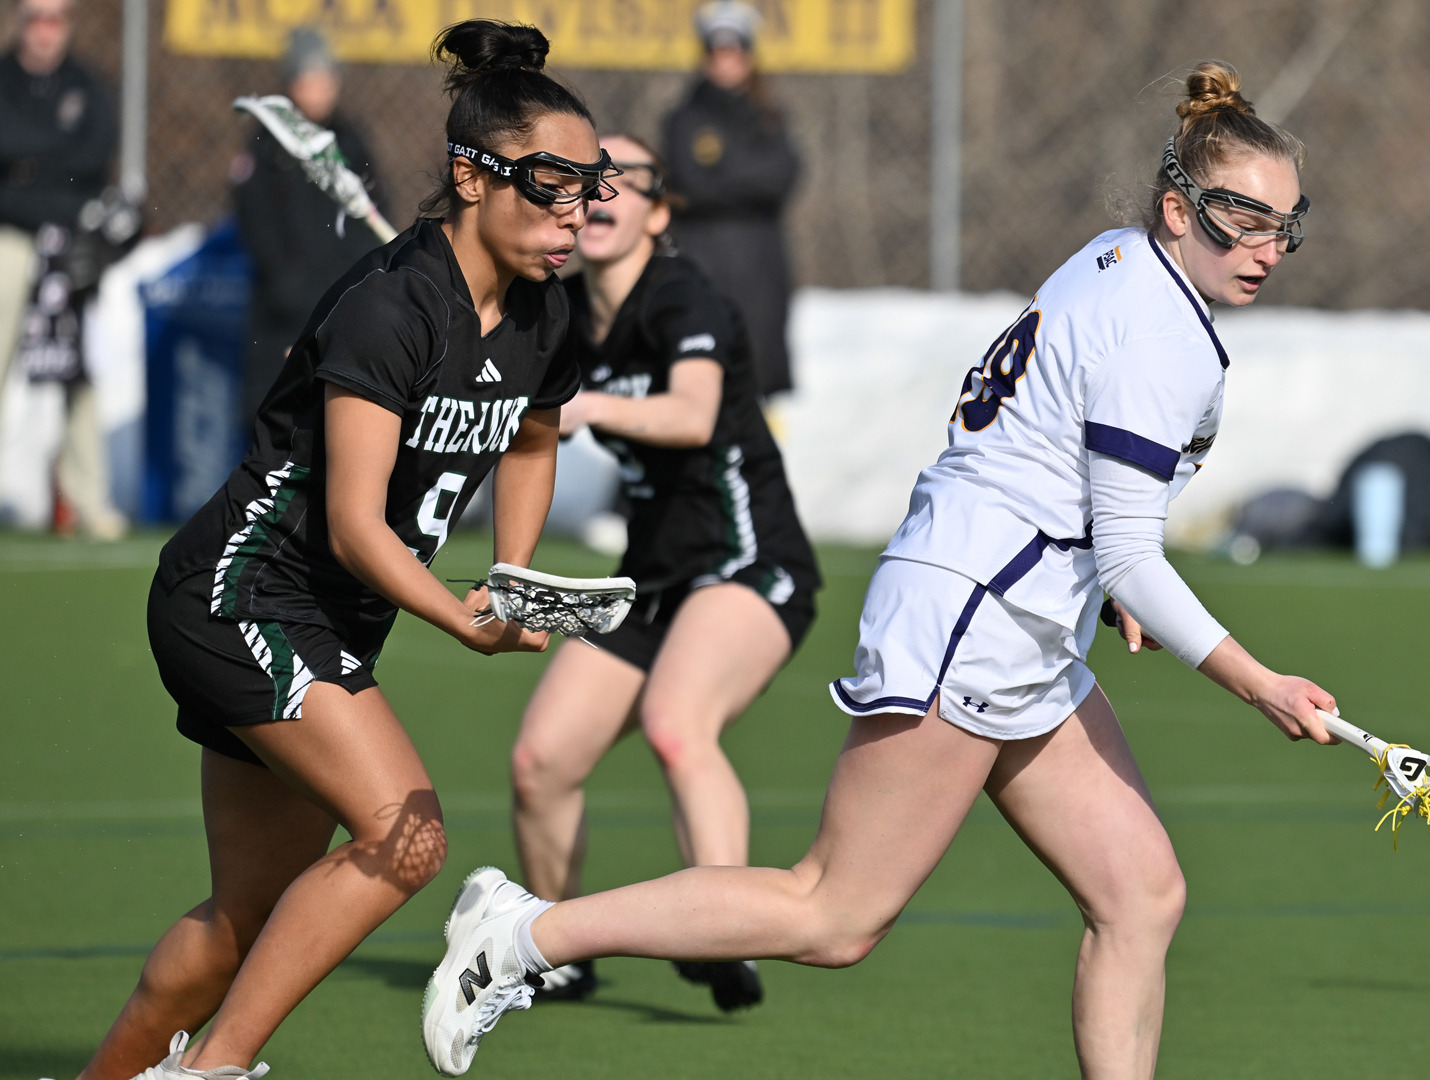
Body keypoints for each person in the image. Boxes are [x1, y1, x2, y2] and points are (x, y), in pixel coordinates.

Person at [425, 61, 1333, 1080]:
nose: (1265, 248)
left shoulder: (1118, 257)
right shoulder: (1166, 332)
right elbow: (1128, 546)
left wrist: (1113, 577)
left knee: (1141, 894)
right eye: (1240, 219)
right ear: (1177, 208)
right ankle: (524, 933)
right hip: (976, 613)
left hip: (1010, 607)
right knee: (833, 913)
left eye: (1284, 226)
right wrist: (1258, 681)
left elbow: (1075, 455)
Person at [67, 20, 615, 1080]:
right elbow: (355, 527)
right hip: (242, 591)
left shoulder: (546, 314)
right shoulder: (390, 305)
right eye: (551, 185)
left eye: (589, 190)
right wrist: (461, 618)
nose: (574, 214)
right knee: (406, 837)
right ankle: (210, 1070)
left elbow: (534, 436)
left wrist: (513, 576)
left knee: (244, 918)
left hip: (329, 621)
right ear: (471, 175)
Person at [508, 132, 820, 1012]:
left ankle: (727, 932)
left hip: (746, 563)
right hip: (650, 578)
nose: (601, 192)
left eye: (624, 179)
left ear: (658, 212)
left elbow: (692, 415)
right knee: (541, 759)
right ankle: (556, 952)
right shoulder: (561, 310)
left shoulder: (685, 298)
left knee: (678, 724)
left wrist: (588, 405)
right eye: (586, 178)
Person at [0, 0, 126, 539]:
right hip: (9, 235)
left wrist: (26, 166)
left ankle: (87, 497)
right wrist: (49, 154)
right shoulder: (5, 79)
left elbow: (92, 156)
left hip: (71, 241)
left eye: (54, 19)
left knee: (78, 369)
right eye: (35, 17)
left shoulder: (87, 85)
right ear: (20, 21)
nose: (44, 30)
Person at [232, 26, 387, 427]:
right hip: (284, 308)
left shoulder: (349, 141)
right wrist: (287, 280)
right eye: (308, 80)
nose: (318, 91)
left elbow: (371, 212)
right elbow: (254, 217)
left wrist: (357, 280)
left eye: (325, 80)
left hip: (341, 302)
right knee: (275, 411)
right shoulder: (268, 144)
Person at [661, 0, 801, 397]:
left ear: (748, 56)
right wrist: (749, 177)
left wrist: (723, 173)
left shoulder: (770, 115)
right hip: (703, 255)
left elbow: (783, 176)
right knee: (703, 359)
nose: (725, 62)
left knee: (760, 361)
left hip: (760, 261)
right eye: (716, 52)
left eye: (734, 51)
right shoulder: (684, 118)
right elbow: (690, 184)